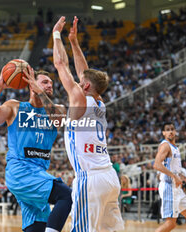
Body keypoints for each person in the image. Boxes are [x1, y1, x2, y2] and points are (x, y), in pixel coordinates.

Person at [52, 16, 124, 231]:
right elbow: (84, 73)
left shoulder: (80, 99)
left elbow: (59, 64)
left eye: (81, 82)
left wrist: (56, 35)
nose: (78, 81)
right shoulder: (100, 102)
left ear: (85, 86)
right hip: (110, 178)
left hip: (90, 179)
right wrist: (73, 42)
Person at [0, 66, 72, 232]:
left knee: (38, 225)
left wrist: (41, 92)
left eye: (51, 83)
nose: (50, 85)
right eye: (44, 82)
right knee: (66, 195)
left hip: (38, 173)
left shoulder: (58, 109)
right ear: (31, 85)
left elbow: (58, 122)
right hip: (20, 171)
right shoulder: (15, 107)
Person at [153, 122, 186, 232]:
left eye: (172, 129)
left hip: (177, 188)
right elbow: (156, 164)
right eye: (167, 129)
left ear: (176, 132)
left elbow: (176, 171)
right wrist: (173, 176)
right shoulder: (165, 145)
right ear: (164, 133)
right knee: (171, 224)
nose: (171, 131)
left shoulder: (175, 148)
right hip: (168, 187)